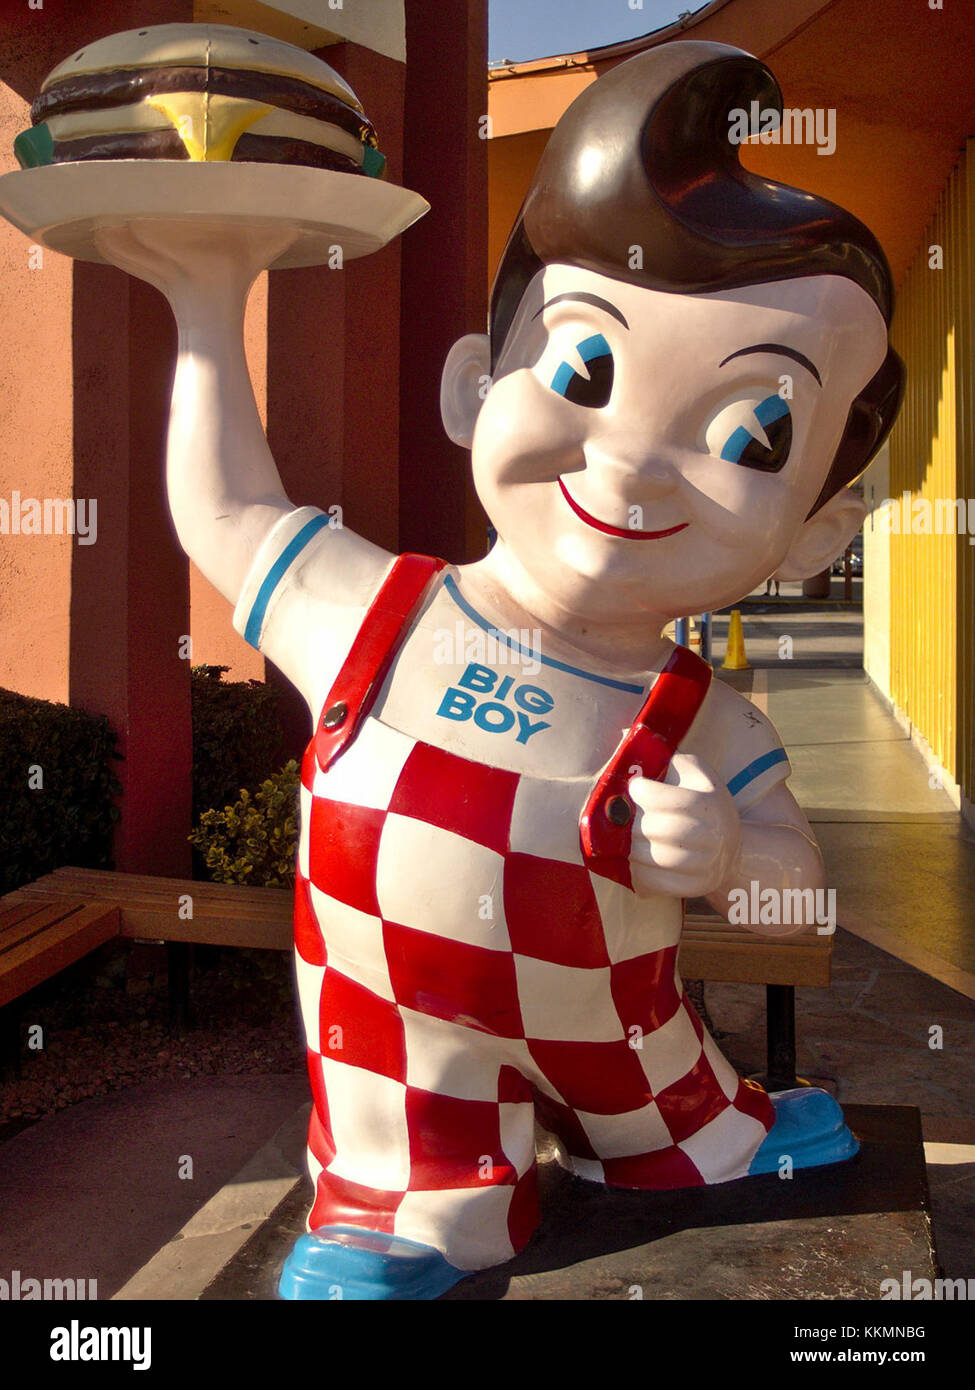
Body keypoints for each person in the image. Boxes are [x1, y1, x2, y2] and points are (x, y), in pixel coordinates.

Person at [97, 40, 903, 1300]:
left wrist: (735, 862)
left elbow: (802, 905)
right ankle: (403, 1206)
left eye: (753, 432)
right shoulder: (375, 610)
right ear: (476, 387)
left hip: (632, 1049)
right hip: (399, 1051)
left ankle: (705, 1134)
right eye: (585, 369)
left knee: (683, 1128)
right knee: (414, 1173)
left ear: (816, 534)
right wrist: (207, 307)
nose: (630, 467)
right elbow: (228, 510)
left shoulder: (706, 718)